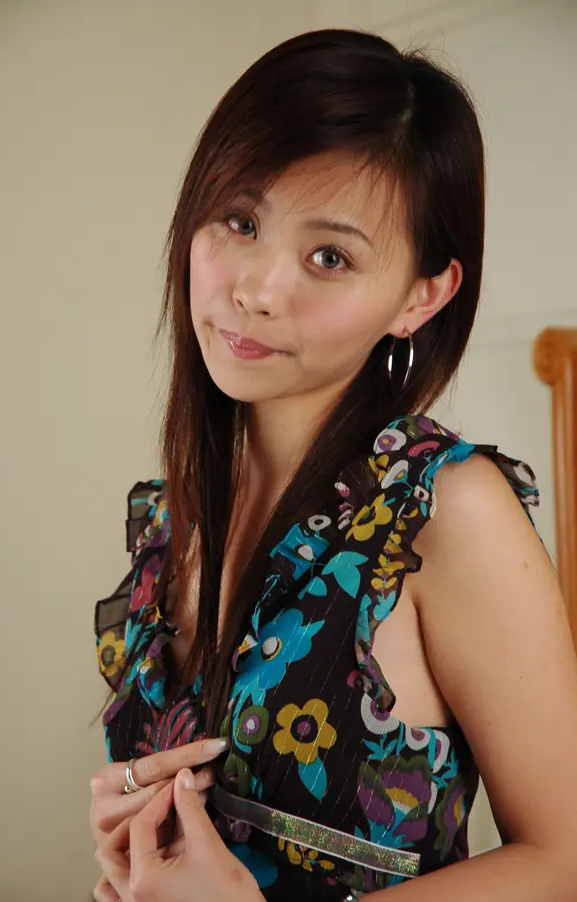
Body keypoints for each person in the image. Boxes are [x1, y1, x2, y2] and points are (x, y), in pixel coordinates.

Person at [89, 27, 577, 902]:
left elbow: (565, 860)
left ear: (422, 296)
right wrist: (136, 834)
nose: (256, 289)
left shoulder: (444, 511)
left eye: (329, 256)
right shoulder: (174, 514)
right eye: (241, 221)